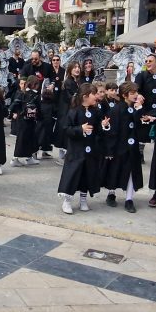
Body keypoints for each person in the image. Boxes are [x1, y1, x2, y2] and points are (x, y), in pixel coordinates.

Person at [57, 83, 110, 214]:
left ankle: (83, 200)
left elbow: (98, 130)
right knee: (73, 175)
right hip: (76, 151)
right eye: (94, 94)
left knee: (88, 175)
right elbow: (66, 129)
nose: (97, 96)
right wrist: (80, 129)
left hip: (91, 150)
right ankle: (67, 201)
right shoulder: (74, 111)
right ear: (85, 96)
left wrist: (103, 126)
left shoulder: (96, 111)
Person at [101, 81, 144, 212]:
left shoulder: (136, 108)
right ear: (125, 95)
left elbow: (139, 126)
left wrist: (140, 112)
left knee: (131, 172)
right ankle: (111, 193)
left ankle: (129, 199)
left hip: (132, 147)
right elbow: (113, 131)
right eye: (132, 93)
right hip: (119, 146)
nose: (136, 95)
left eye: (136, 92)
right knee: (115, 170)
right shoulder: (116, 109)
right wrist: (110, 150)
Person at [10, 75, 41, 166]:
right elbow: (39, 108)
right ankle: (15, 158)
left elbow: (15, 104)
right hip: (29, 120)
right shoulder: (35, 95)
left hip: (22, 119)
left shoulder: (22, 93)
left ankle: (29, 157)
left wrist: (12, 113)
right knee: (22, 139)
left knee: (27, 139)